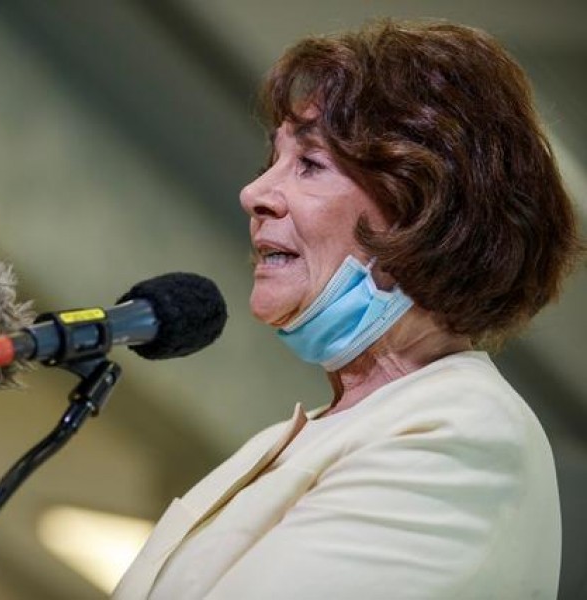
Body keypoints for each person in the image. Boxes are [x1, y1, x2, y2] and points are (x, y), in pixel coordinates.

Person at [113, 19, 581, 600]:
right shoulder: (287, 439)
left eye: (310, 163)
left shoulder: (461, 433)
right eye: (274, 159)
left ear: (424, 210)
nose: (253, 192)